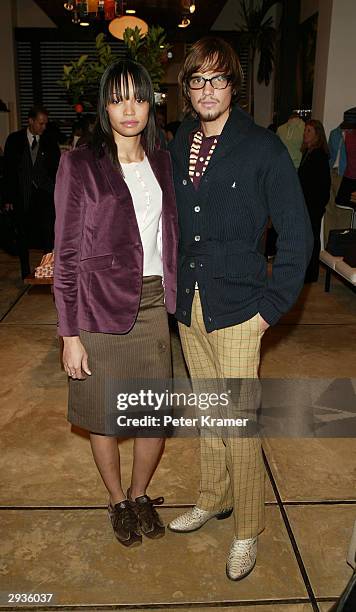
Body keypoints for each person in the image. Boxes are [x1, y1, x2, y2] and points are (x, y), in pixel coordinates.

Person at [167, 37, 313, 580]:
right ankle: (213, 495)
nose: (208, 90)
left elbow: (298, 238)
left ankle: (248, 528)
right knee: (207, 415)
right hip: (190, 304)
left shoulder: (263, 147)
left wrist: (269, 310)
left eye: (218, 79)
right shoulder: (181, 138)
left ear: (234, 86)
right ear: (187, 89)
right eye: (198, 80)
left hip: (240, 308)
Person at [54, 59, 178, 548]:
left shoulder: (164, 162)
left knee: (153, 417)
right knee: (105, 415)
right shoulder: (80, 163)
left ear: (151, 103)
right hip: (99, 310)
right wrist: (69, 335)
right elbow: (66, 255)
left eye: (139, 97)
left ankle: (140, 492)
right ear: (105, 105)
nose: (129, 108)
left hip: (153, 304)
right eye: (118, 97)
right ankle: (115, 500)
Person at [3, 105, 60, 279]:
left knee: (47, 234)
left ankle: (47, 269)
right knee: (22, 235)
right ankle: (25, 271)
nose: (43, 127)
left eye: (45, 124)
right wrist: (8, 198)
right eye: (41, 124)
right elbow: (8, 171)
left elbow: (56, 168)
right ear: (31, 121)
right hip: (23, 195)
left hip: (45, 195)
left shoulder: (49, 140)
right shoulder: (14, 140)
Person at [298, 120, 331, 283]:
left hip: (313, 206)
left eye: (309, 131)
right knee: (306, 239)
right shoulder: (308, 153)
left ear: (317, 135)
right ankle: (306, 271)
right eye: (305, 130)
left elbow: (323, 186)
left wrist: (315, 205)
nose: (305, 134)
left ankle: (311, 274)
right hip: (306, 205)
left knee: (312, 239)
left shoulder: (319, 156)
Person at [325, 107, 356, 240]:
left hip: (345, 176)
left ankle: (339, 244)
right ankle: (328, 244)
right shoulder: (335, 133)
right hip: (333, 172)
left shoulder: (351, 137)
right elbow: (330, 154)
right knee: (329, 211)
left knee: (343, 213)